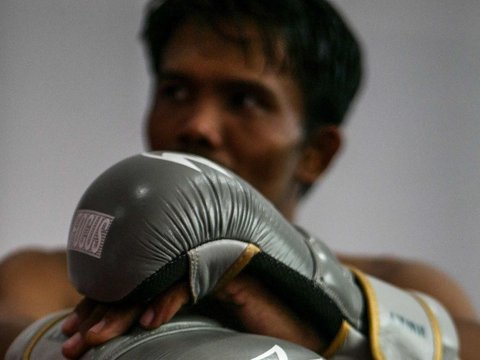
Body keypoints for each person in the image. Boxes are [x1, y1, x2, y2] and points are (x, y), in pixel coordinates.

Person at [1, 0, 479, 358]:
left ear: (315, 152)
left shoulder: (410, 284)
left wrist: (325, 314)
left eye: (244, 100)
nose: (196, 125)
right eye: (176, 90)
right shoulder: (50, 279)